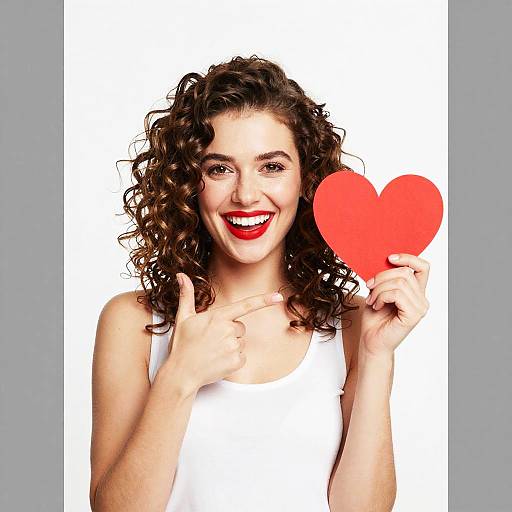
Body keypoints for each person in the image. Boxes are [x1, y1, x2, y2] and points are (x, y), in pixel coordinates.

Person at [89, 55, 431, 512]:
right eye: (219, 168)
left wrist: (376, 356)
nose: (247, 194)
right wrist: (179, 377)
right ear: (190, 183)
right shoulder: (132, 322)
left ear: (306, 179)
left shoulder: (353, 324)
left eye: (271, 166)